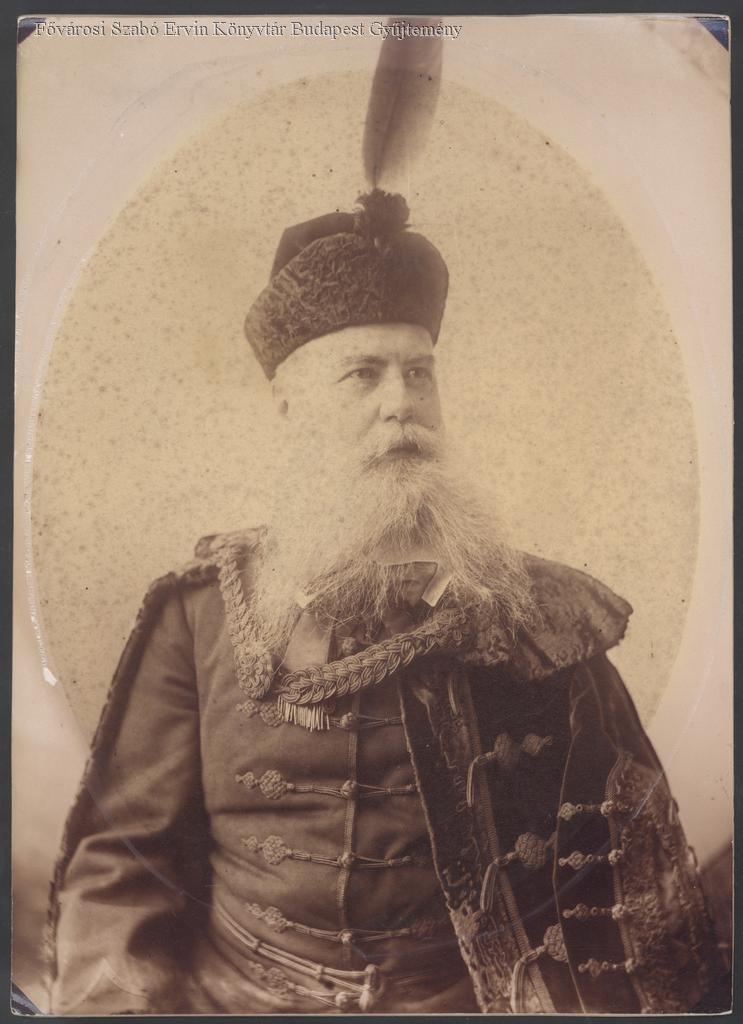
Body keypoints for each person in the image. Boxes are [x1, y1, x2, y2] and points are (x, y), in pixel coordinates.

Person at [47, 190, 725, 1014]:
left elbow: (620, 867)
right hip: (233, 999)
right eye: (361, 375)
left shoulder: (538, 613)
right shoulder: (200, 616)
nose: (400, 402)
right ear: (290, 406)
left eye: (418, 373)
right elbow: (122, 868)